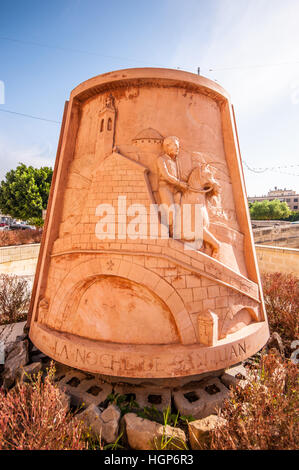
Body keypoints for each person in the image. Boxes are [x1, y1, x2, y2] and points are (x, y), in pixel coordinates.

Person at [157, 136, 188, 237]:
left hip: (176, 189)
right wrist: (179, 183)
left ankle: (175, 233)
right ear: (167, 147)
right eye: (175, 146)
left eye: (177, 147)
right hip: (165, 187)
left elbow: (179, 176)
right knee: (170, 211)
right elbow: (166, 175)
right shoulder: (161, 160)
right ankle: (165, 233)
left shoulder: (176, 162)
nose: (177, 149)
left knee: (179, 212)